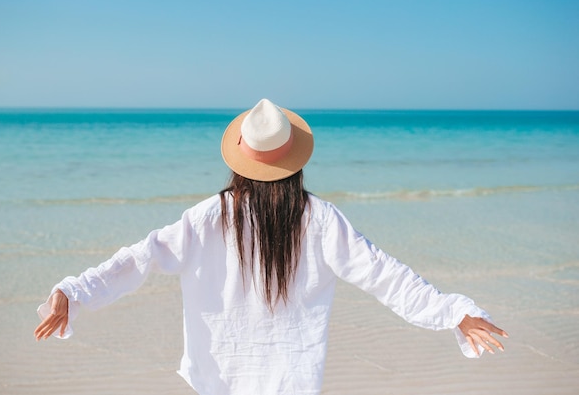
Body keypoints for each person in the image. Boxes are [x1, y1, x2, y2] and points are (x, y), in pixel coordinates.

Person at [35, 99, 508, 394]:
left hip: (221, 380)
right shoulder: (319, 219)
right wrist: (452, 311)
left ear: (240, 159)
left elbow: (137, 260)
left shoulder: (208, 217)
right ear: (295, 162)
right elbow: (385, 274)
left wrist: (75, 293)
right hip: (294, 382)